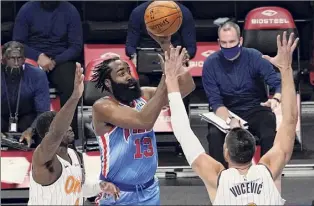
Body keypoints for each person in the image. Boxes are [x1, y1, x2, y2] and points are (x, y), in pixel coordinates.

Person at [165, 32, 299, 205]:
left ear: (226, 153)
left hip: (252, 109)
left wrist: (171, 80)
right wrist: (286, 69)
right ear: (254, 153)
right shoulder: (269, 169)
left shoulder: (218, 179)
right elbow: (290, 120)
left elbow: (183, 131)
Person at [91, 45, 195, 205]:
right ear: (108, 82)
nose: (129, 76)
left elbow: (187, 88)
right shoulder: (103, 107)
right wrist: (166, 77)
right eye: (121, 73)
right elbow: (144, 122)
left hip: (149, 191)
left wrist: (176, 65)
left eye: (128, 71)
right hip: (118, 193)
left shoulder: (143, 96)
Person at [28, 63, 120, 205]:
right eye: (65, 125)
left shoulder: (72, 153)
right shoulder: (42, 157)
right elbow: (56, 131)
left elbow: (79, 189)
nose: (69, 127)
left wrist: (100, 186)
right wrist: (75, 96)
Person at [202, 21, 282, 170]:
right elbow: (215, 102)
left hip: (255, 108)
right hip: (227, 111)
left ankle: (268, 172)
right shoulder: (210, 64)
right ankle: (221, 180)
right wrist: (230, 120)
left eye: (232, 42)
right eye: (224, 43)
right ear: (218, 42)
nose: (228, 46)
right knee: (214, 135)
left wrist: (276, 98)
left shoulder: (254, 57)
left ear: (240, 40)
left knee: (268, 123)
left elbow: (277, 82)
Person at [13, 1, 83, 140]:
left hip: (60, 59)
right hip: (33, 58)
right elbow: (18, 43)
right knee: (19, 80)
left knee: (71, 84)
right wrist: (38, 56)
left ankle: (68, 137)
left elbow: (76, 46)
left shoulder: (70, 10)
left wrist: (55, 61)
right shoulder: (27, 9)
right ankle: (26, 132)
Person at [1, 41, 50, 146]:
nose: (16, 63)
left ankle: (42, 161)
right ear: (3, 60)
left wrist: (31, 130)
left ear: (24, 59)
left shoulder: (37, 75)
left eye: (19, 58)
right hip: (1, 118)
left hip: (28, 118)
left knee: (45, 127)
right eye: (11, 58)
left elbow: (43, 111)